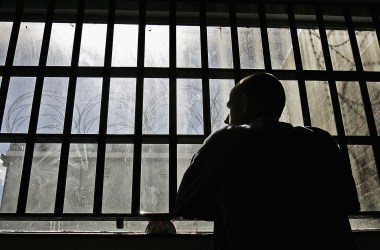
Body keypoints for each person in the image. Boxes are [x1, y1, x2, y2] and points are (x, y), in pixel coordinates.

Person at [175, 72, 360, 250]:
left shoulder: (226, 141)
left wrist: (227, 203)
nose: (226, 119)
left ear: (245, 103)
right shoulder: (321, 141)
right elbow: (350, 203)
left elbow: (185, 203)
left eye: (230, 107)